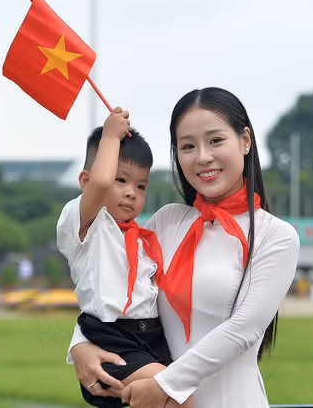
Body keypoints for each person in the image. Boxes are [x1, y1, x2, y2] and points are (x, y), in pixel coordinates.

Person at [69, 88, 300, 408]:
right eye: (188, 146)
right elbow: (117, 289)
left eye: (216, 141)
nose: (203, 156)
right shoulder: (166, 222)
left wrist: (166, 384)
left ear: (245, 141)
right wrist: (80, 345)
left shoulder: (275, 236)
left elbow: (243, 330)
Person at [57, 107, 188, 408]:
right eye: (121, 180)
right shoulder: (84, 225)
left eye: (141, 186)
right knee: (178, 398)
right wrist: (111, 134)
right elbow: (100, 185)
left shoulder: (141, 238)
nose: (131, 193)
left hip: (152, 337)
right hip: (114, 339)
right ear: (85, 180)